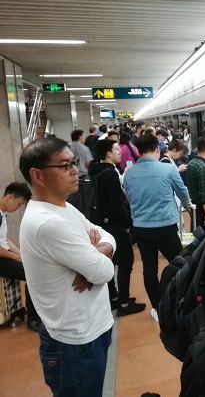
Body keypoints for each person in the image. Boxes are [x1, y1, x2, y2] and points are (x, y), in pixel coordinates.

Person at [18, 137, 116, 397]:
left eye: (73, 163)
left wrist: (96, 253)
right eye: (64, 166)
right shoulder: (48, 222)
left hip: (93, 326)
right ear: (37, 175)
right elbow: (105, 272)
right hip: (74, 342)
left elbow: (107, 236)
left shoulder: (64, 209)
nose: (75, 170)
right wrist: (95, 262)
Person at [122, 134, 191, 321]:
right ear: (157, 148)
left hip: (141, 228)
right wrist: (187, 205)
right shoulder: (168, 169)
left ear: (137, 150)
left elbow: (128, 197)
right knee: (181, 264)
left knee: (149, 268)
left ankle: (157, 307)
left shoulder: (129, 173)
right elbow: (182, 191)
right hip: (165, 226)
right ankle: (181, 300)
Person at [89, 139, 145, 317]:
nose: (119, 152)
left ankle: (113, 296)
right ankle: (124, 301)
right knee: (125, 262)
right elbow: (116, 204)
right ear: (108, 154)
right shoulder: (110, 174)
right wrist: (126, 224)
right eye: (115, 149)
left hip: (100, 222)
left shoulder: (95, 171)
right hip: (114, 224)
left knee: (109, 261)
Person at [0, 182, 41, 331]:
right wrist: (15, 257)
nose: (17, 208)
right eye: (18, 204)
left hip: (4, 256)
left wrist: (21, 253)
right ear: (10, 197)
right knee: (32, 273)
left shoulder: (2, 213)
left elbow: (4, 240)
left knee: (34, 265)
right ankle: (33, 319)